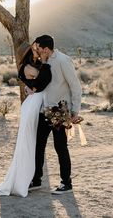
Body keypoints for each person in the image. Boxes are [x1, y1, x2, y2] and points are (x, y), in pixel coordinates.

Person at [0, 41, 51, 197]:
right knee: (28, 141)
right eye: (34, 49)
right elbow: (42, 83)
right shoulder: (28, 67)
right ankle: (24, 179)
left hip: (37, 102)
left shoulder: (36, 64)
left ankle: (32, 177)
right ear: (28, 52)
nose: (37, 50)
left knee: (33, 142)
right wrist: (45, 63)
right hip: (33, 105)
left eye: (38, 48)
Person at [28, 35, 82, 195]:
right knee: (38, 145)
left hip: (59, 111)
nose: (36, 51)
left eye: (38, 48)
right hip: (44, 110)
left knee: (60, 147)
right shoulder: (43, 62)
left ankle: (66, 183)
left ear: (46, 49)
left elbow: (75, 87)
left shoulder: (63, 61)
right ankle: (36, 180)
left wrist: (75, 111)